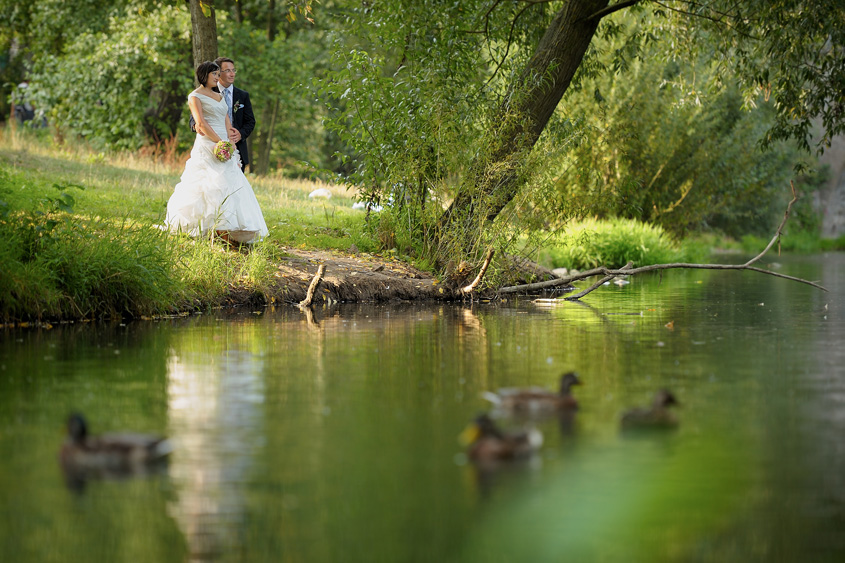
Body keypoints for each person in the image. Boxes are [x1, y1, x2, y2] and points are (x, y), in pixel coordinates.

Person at [165, 61, 268, 247]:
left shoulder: (218, 96)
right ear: (204, 75)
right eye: (214, 74)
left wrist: (230, 144)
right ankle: (207, 227)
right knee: (209, 183)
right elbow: (201, 123)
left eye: (217, 74)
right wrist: (218, 142)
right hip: (207, 143)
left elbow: (227, 121)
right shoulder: (194, 96)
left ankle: (229, 229)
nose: (217, 77)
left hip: (225, 143)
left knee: (230, 183)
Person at [190, 56, 255, 173]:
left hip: (235, 144)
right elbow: (196, 117)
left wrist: (239, 135)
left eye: (233, 70)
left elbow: (250, 121)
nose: (232, 74)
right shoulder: (202, 94)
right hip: (209, 140)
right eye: (227, 71)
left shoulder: (243, 96)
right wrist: (196, 125)